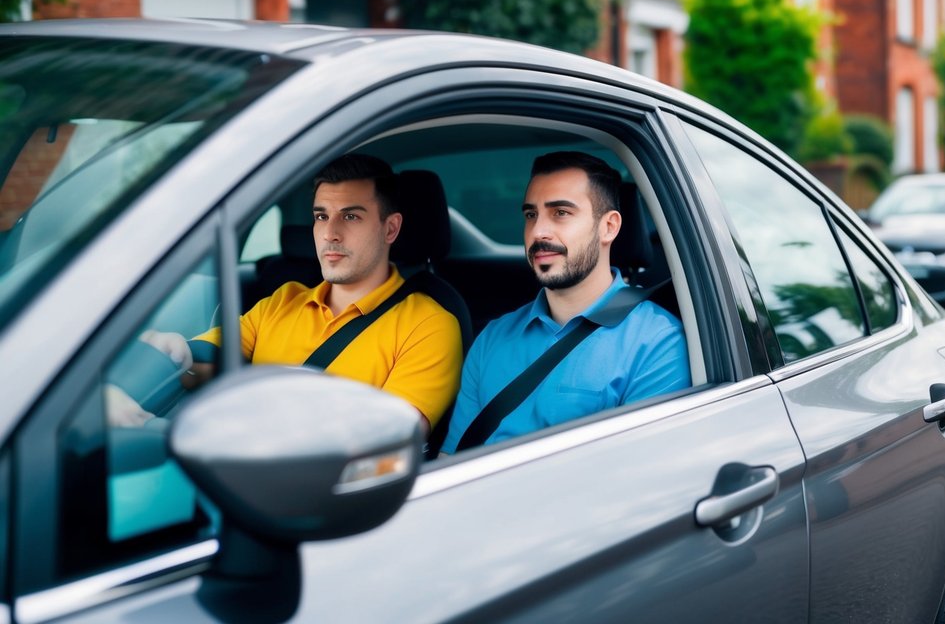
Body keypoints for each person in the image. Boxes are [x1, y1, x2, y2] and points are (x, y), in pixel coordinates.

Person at [127, 153, 463, 435]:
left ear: (390, 228)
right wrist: (156, 362)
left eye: (350, 216)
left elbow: (386, 442)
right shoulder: (284, 300)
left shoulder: (429, 325)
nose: (330, 233)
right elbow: (199, 360)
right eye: (321, 216)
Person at [441, 151, 689, 453]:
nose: (538, 232)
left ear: (608, 227)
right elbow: (452, 462)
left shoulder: (657, 343)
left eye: (561, 213)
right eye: (531, 215)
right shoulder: (492, 337)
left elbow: (636, 480)